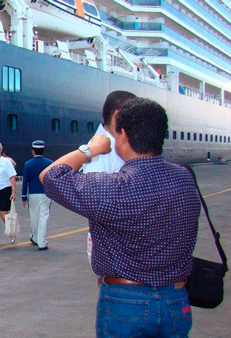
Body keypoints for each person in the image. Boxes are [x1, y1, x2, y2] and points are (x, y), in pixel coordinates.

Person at [40, 98, 200, 337]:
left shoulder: (114, 187)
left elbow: (50, 176)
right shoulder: (185, 178)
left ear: (123, 135)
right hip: (176, 300)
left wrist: (89, 150)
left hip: (126, 301)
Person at [82, 90, 136, 260]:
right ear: (117, 115)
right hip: (114, 242)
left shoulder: (112, 144)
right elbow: (94, 200)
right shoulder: (102, 150)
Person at [21, 140, 53, 250]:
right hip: (46, 193)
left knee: (34, 216)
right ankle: (42, 242)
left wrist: (24, 197)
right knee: (43, 217)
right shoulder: (50, 163)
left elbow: (25, 182)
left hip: (33, 193)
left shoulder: (28, 164)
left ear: (33, 151)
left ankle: (34, 237)